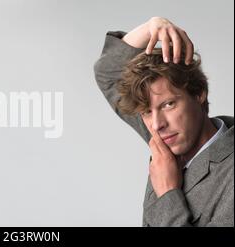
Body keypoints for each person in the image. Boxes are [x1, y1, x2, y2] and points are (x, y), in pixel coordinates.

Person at [94, 17, 234, 226]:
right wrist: (151, 27)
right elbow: (107, 72)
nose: (157, 125)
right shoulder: (164, 137)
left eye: (168, 104)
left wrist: (168, 193)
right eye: (146, 111)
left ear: (199, 94)